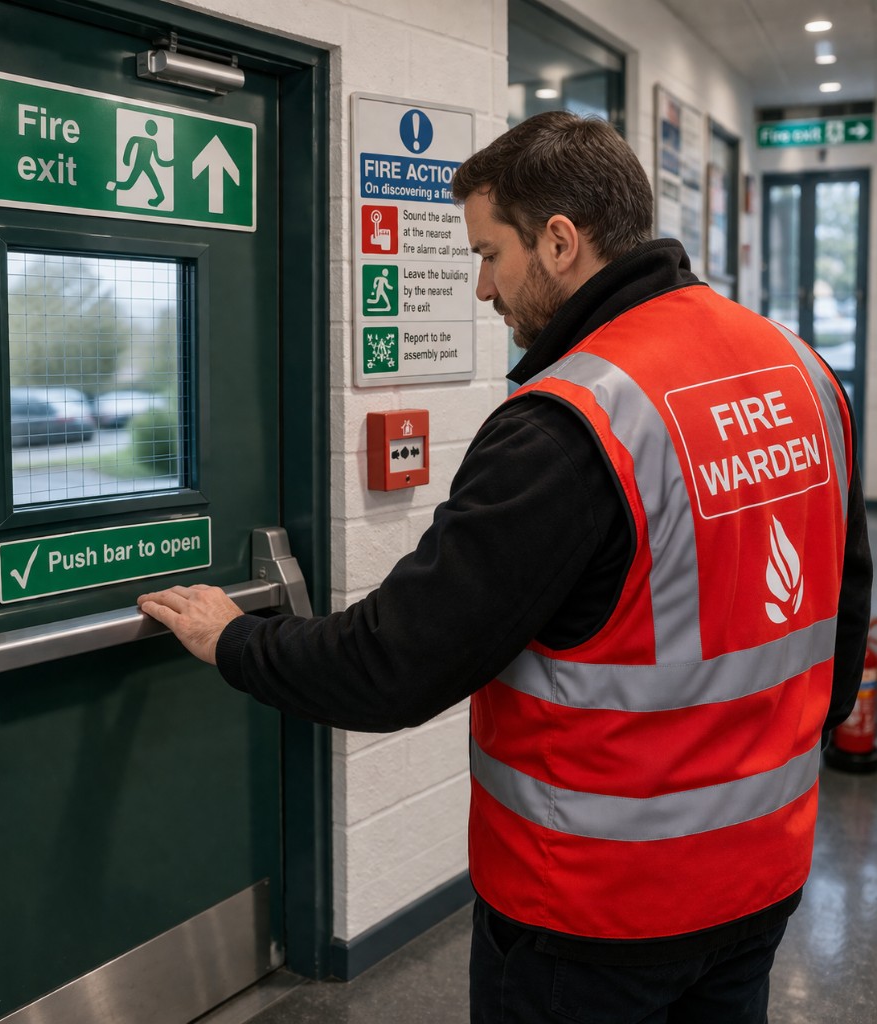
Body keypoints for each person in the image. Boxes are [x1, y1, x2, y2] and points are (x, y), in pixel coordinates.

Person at [139, 112, 872, 1024]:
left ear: (560, 242)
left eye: (490, 254)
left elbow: (393, 665)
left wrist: (236, 639)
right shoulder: (799, 371)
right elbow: (844, 616)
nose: (483, 287)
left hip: (594, 915)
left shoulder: (572, 425)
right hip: (760, 880)